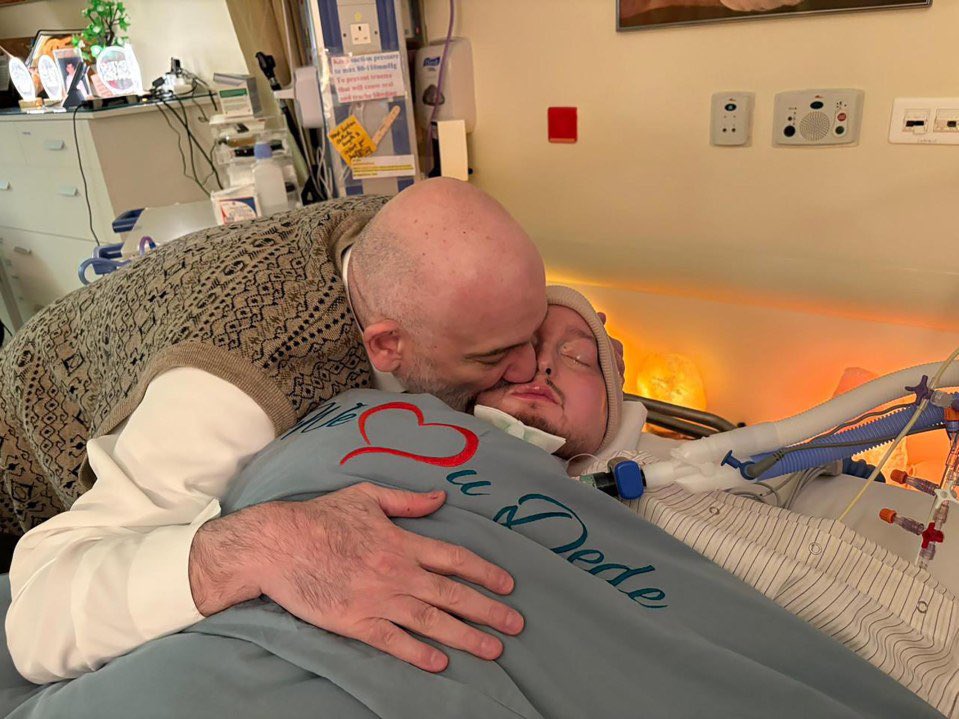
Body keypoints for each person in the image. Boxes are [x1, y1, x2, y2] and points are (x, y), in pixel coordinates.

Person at [3, 178, 560, 683]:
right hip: (21, 448)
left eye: (537, 338)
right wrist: (262, 546)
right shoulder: (229, 393)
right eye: (495, 357)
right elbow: (38, 618)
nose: (529, 369)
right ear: (387, 346)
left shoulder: (397, 234)